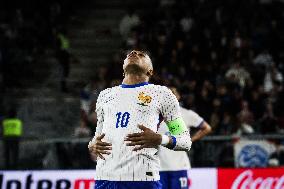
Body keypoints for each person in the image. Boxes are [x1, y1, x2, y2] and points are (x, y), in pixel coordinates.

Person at [88, 50, 192, 189]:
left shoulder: (163, 94)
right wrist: (92, 145)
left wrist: (159, 139)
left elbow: (185, 141)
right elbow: (97, 138)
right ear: (123, 70)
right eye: (130, 54)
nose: (134, 52)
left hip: (142, 178)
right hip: (105, 178)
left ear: (150, 71)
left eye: (142, 55)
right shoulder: (105, 95)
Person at [158, 87, 212, 189]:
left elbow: (207, 128)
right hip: (159, 168)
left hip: (179, 166)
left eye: (173, 94)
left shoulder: (186, 114)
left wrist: (191, 140)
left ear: (178, 97)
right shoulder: (154, 116)